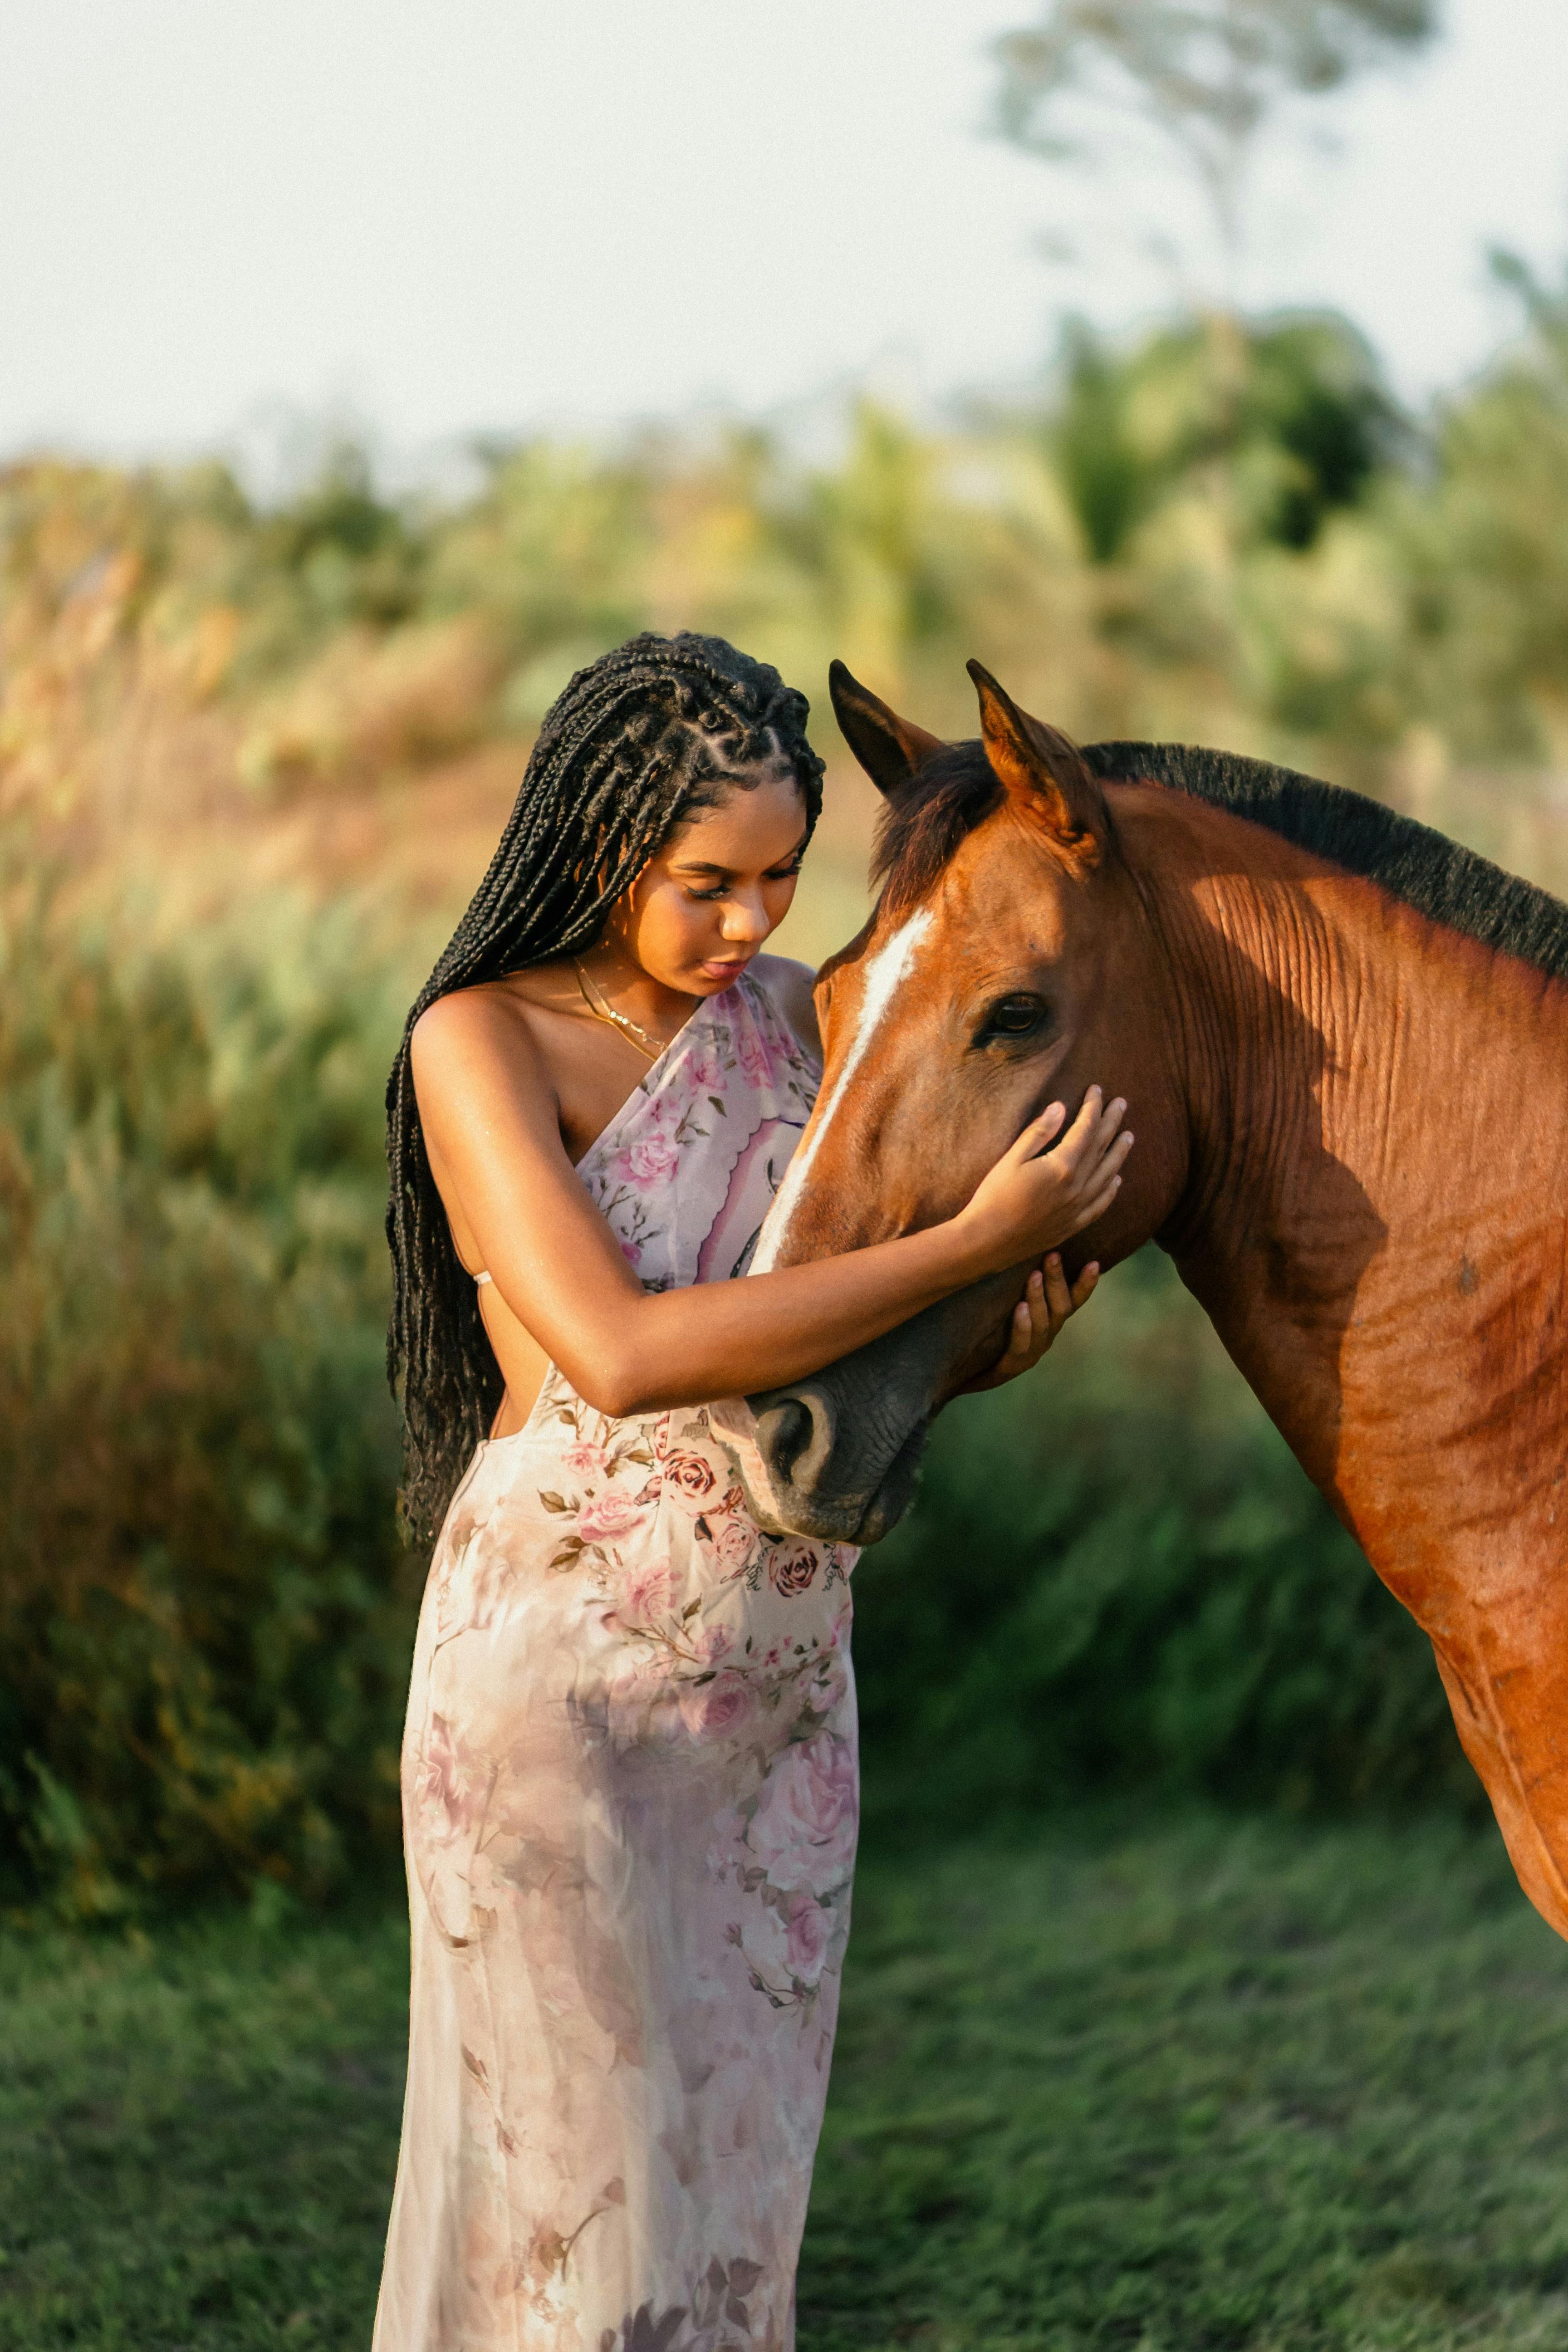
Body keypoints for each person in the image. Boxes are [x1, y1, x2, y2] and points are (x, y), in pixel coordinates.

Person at [374, 632, 1131, 2351]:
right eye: (706, 883)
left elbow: (834, 1349)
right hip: (554, 1703)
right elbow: (628, 1353)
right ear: (596, 850)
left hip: (780, 1702)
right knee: (586, 2223)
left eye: (784, 877)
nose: (753, 927)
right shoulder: (479, 1044)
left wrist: (1001, 1321)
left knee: (730, 2220)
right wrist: (972, 1239)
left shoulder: (810, 1024)